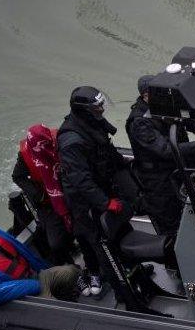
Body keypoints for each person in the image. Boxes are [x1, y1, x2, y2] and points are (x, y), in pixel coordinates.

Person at [58, 86, 138, 297]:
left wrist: (127, 169)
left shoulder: (92, 125)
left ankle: (131, 267)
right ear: (85, 110)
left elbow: (107, 150)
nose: (102, 109)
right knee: (101, 243)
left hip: (102, 188)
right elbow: (80, 180)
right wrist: (104, 203)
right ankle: (121, 288)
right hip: (85, 202)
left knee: (120, 228)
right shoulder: (71, 141)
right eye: (97, 107)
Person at [126, 75, 195, 236]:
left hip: (179, 167)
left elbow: (191, 120)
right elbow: (165, 149)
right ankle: (174, 257)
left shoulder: (165, 104)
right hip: (158, 179)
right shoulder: (139, 122)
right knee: (171, 224)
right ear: (146, 96)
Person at [0, 221, 80, 305]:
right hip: (25, 294)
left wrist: (44, 269)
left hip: (36, 276)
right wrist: (32, 286)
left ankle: (62, 292)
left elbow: (23, 252)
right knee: (58, 308)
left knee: (71, 271)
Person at [12, 123, 75, 265]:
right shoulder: (25, 155)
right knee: (56, 244)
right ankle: (71, 266)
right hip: (47, 202)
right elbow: (17, 176)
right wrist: (37, 194)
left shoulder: (59, 139)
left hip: (70, 192)